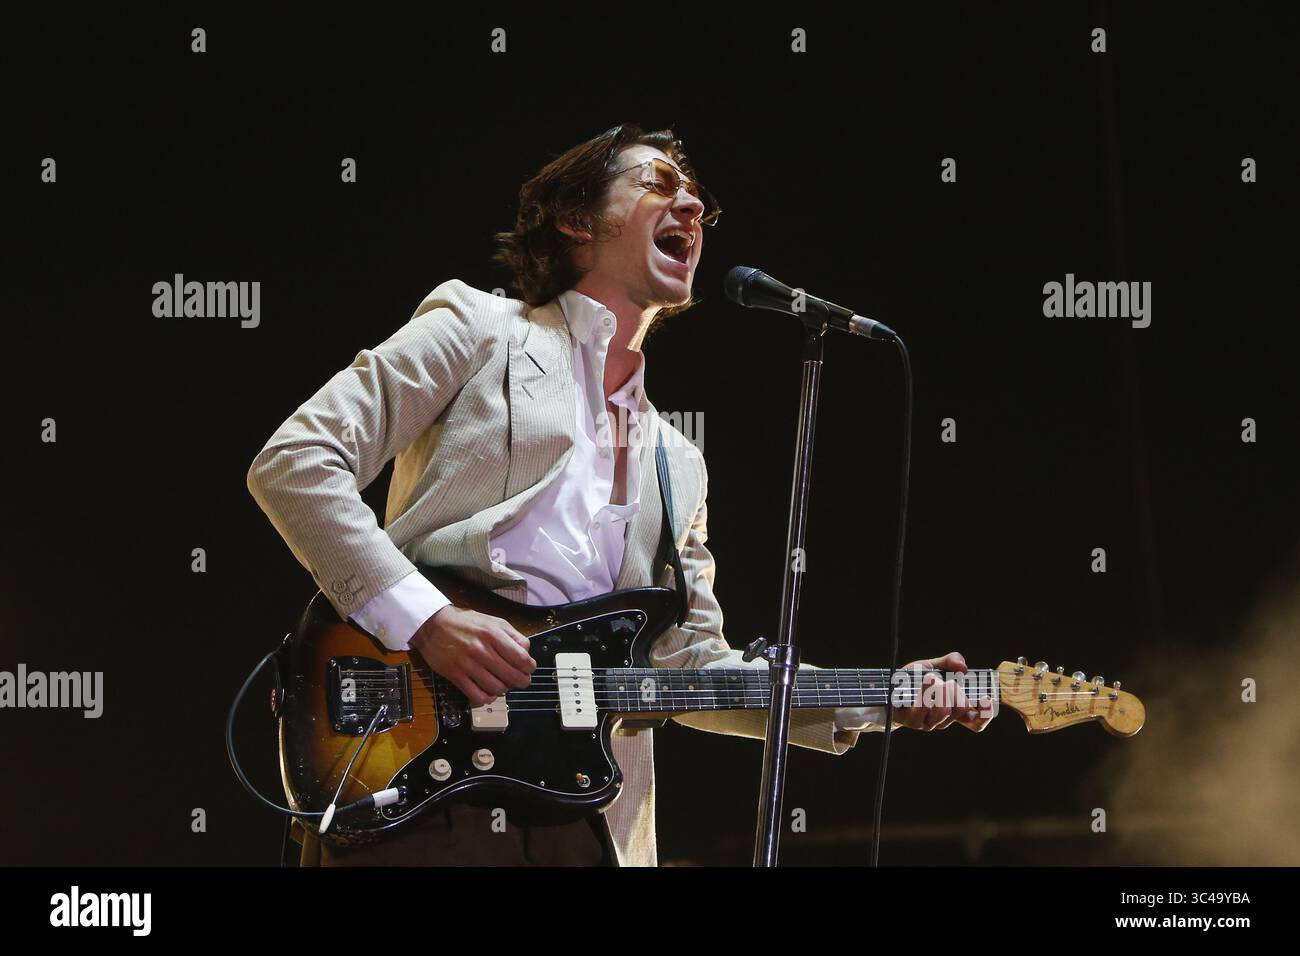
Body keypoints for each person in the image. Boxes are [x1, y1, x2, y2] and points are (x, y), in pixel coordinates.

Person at [247, 123, 992, 867]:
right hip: (413, 776)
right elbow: (296, 462)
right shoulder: (480, 329)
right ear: (576, 219)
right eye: (659, 186)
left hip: (585, 815)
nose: (692, 209)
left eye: (699, 201)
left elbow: (690, 666)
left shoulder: (677, 460)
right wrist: (431, 621)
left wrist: (880, 695)